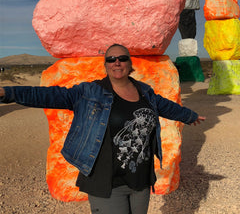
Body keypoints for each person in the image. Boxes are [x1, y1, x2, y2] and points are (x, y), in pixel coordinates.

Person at [0, 44, 205, 214]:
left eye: (122, 58)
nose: (117, 62)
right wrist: (6, 92)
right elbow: (47, 95)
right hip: (107, 182)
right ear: (106, 65)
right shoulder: (90, 92)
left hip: (140, 180)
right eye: (111, 59)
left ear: (129, 63)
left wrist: (189, 116)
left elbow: (164, 106)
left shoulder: (144, 91)